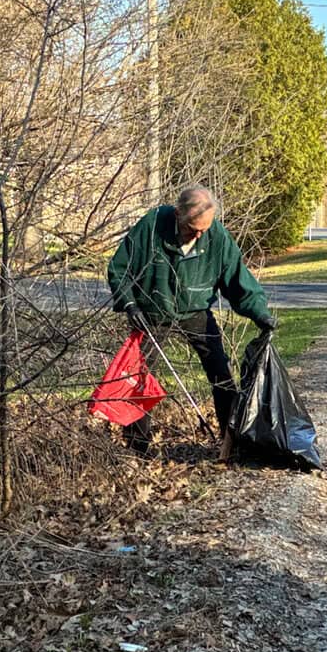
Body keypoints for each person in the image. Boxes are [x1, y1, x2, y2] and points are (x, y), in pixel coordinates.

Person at [107, 185, 274, 460]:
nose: (198, 235)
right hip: (151, 312)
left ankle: (231, 444)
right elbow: (119, 268)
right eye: (192, 229)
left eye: (203, 230)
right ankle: (138, 450)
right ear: (177, 214)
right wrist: (129, 304)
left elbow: (239, 282)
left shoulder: (217, 237)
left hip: (196, 311)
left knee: (221, 374)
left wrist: (261, 314)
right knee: (138, 378)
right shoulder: (152, 226)